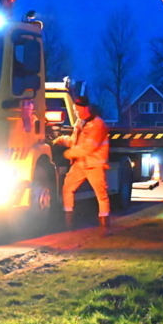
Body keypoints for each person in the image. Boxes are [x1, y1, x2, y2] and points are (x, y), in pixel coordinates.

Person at [54, 96, 111, 235]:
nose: (75, 112)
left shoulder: (98, 124)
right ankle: (68, 223)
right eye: (74, 109)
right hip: (80, 163)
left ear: (85, 108)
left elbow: (88, 147)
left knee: (101, 195)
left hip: (94, 165)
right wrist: (60, 140)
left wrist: (68, 154)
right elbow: (75, 141)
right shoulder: (80, 122)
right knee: (67, 188)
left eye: (76, 109)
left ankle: (105, 227)